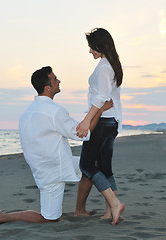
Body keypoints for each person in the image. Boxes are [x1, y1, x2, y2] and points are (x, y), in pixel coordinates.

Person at [0, 66, 114, 225]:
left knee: (89, 165)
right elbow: (82, 134)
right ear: (48, 87)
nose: (59, 81)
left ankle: (80, 210)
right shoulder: (54, 111)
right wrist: (100, 110)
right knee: (49, 218)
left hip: (42, 166)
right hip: (54, 168)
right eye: (55, 79)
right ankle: (2, 217)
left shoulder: (27, 112)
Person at [74, 28, 125, 225]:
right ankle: (109, 211)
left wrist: (87, 120)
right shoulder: (112, 65)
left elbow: (102, 96)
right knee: (105, 168)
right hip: (112, 122)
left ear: (100, 45)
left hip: (103, 122)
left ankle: (114, 204)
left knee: (86, 165)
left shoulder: (104, 67)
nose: (90, 51)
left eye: (91, 46)